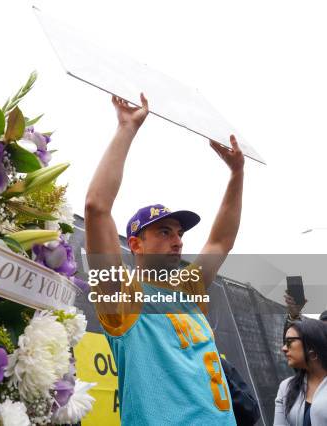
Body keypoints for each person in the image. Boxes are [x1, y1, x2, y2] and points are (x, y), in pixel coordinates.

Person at [84, 93, 245, 425]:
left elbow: (220, 241)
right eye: (164, 232)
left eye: (179, 234)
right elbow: (97, 208)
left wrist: (236, 173)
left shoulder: (187, 291)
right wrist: (126, 127)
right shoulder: (124, 299)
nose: (178, 241)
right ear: (135, 244)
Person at [274, 319, 327, 425]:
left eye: (289, 342)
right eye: (285, 342)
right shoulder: (286, 387)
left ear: (312, 346)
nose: (284, 348)